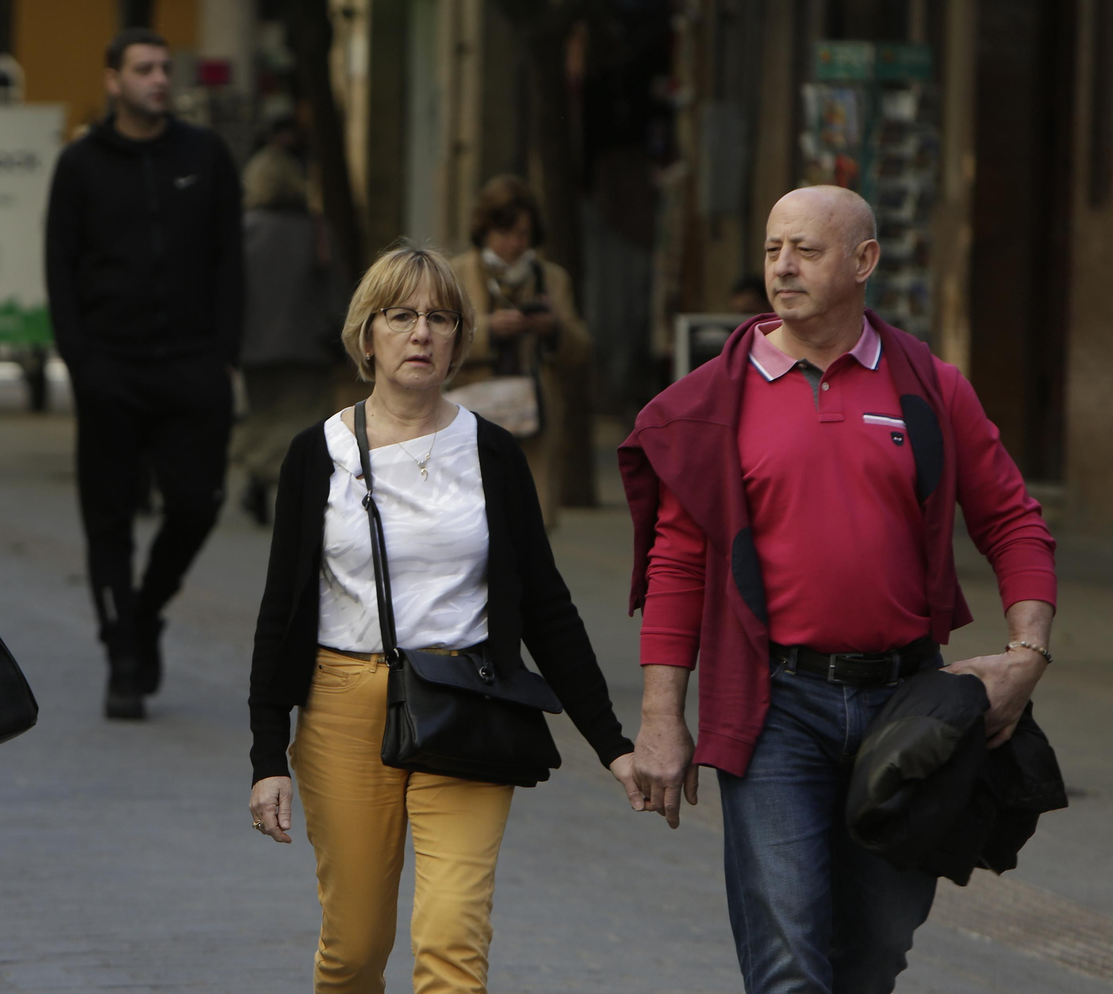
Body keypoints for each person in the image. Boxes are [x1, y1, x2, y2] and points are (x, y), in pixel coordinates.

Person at [621, 186, 1057, 994]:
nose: (782, 268)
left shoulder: (929, 385)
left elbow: (1013, 520)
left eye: (806, 251)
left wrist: (1026, 654)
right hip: (772, 705)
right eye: (772, 249)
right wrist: (659, 721)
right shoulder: (716, 402)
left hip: (909, 706)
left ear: (864, 262)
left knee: (873, 954)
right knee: (790, 958)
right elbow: (677, 565)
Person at [247, 246, 639, 993]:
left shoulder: (492, 453)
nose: (421, 333)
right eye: (401, 316)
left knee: (452, 942)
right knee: (355, 950)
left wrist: (610, 742)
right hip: (341, 706)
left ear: (460, 340)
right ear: (368, 336)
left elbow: (548, 606)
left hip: (466, 701)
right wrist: (269, 754)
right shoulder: (316, 456)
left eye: (440, 318)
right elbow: (280, 612)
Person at [46, 27, 243, 720]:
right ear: (113, 79)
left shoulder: (206, 156)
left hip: (192, 368)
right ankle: (122, 656)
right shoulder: (80, 165)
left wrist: (226, 355)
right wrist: (82, 363)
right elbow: (61, 272)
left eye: (165, 67)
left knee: (198, 504)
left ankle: (146, 611)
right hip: (112, 369)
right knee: (109, 521)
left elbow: (229, 261)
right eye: (145, 68)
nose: (160, 78)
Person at [450, 176, 589, 529]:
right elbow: (436, 337)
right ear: (484, 230)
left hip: (533, 416)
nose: (514, 244)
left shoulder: (551, 279)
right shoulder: (455, 273)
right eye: (504, 233)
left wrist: (553, 328)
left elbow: (579, 348)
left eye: (523, 234)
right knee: (470, 519)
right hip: (471, 411)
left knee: (529, 523)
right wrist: (487, 330)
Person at [232, 130, 345, 526]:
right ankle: (292, 488)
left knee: (262, 415)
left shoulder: (242, 230)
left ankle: (258, 482)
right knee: (304, 418)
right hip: (308, 344)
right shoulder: (316, 230)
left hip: (256, 344)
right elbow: (334, 291)